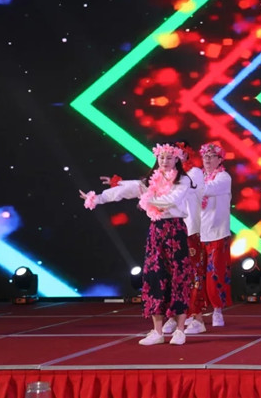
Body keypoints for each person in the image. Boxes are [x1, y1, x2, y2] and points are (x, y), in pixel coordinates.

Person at [79, 143, 195, 345]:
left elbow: (171, 200)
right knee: (154, 276)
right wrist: (97, 198)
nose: (164, 161)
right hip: (157, 231)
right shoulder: (150, 181)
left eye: (169, 158)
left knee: (178, 277)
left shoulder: (183, 180)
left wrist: (148, 199)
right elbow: (128, 190)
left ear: (176, 159)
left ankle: (179, 330)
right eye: (161, 157)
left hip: (175, 230)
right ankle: (157, 331)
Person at [162, 141, 207, 335]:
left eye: (179, 152)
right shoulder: (164, 175)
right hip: (170, 230)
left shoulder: (194, 173)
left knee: (193, 276)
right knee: (172, 276)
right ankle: (173, 316)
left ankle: (197, 318)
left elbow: (178, 194)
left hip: (189, 230)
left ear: (187, 154)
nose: (175, 156)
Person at [193, 142, 232, 328]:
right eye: (205, 156)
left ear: (220, 159)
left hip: (217, 232)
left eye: (212, 156)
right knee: (196, 276)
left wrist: (187, 184)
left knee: (214, 274)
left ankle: (217, 310)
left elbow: (206, 190)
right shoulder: (199, 176)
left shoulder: (223, 177)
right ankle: (195, 312)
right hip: (198, 232)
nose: (207, 159)